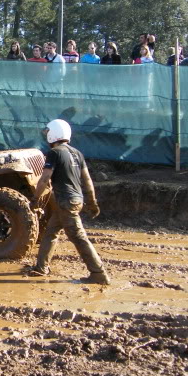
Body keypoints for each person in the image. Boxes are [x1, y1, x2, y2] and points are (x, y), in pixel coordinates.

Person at [28, 119, 110, 285]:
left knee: (79, 237)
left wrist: (35, 199)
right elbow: (87, 181)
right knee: (51, 232)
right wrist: (92, 204)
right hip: (72, 201)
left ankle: (98, 273)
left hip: (65, 202)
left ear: (54, 134)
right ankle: (41, 267)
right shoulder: (77, 154)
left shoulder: (55, 153)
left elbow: (44, 178)